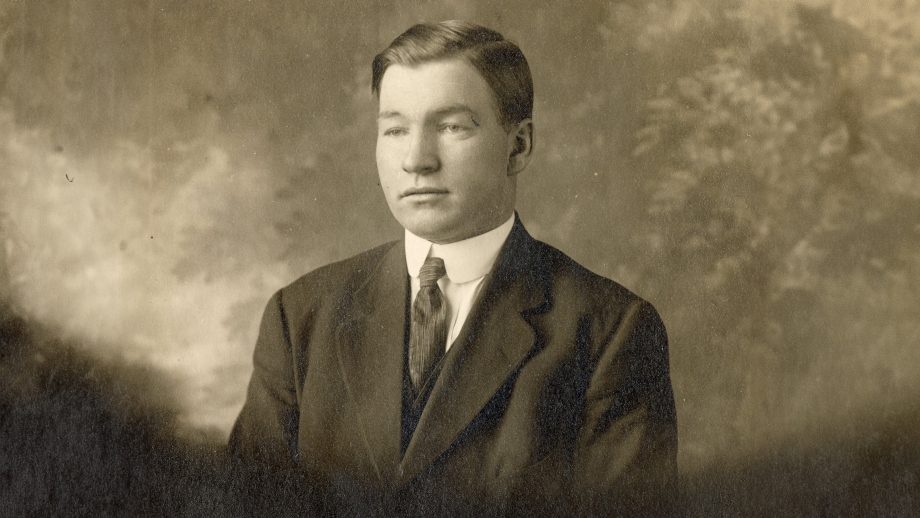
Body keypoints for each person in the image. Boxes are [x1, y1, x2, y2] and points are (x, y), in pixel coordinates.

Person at [229, 20, 677, 516]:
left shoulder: (609, 330)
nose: (417, 160)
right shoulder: (301, 316)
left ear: (519, 146)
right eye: (395, 129)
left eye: (451, 127)